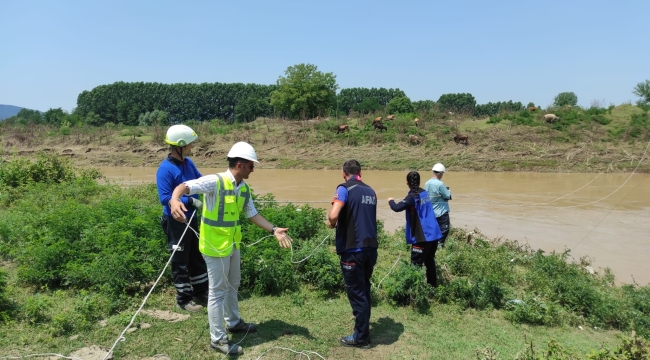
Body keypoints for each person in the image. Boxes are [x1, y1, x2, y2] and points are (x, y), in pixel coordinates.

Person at [169, 141, 293, 356]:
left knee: (233, 284)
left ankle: (233, 322)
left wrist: (273, 230)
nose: (253, 169)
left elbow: (251, 213)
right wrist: (174, 200)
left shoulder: (243, 188)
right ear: (239, 164)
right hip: (213, 246)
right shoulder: (215, 182)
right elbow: (185, 186)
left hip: (232, 244)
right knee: (217, 291)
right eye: (251, 165)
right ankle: (217, 339)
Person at [156, 124, 208, 313]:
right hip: (176, 223)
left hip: (191, 219)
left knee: (196, 256)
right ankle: (184, 299)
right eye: (189, 144)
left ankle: (202, 292)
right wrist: (191, 200)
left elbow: (199, 181)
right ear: (180, 145)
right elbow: (164, 198)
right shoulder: (165, 169)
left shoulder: (188, 163)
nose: (192, 147)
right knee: (180, 260)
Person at [326, 159, 378, 349]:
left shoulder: (344, 189)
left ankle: (361, 337)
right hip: (371, 249)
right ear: (360, 173)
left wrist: (331, 223)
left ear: (343, 173)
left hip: (353, 250)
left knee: (357, 294)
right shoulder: (371, 191)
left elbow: (333, 215)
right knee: (364, 290)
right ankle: (363, 332)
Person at [388, 171, 443, 287]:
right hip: (433, 234)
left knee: (415, 265)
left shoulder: (412, 197)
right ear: (419, 182)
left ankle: (414, 292)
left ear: (407, 182)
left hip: (422, 236)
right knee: (429, 261)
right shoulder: (425, 193)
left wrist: (390, 200)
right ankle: (432, 287)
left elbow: (397, 207)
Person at [424, 163, 452, 248]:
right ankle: (439, 245)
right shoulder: (440, 184)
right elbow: (447, 196)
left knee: (434, 229)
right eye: (442, 173)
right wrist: (448, 191)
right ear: (440, 173)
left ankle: (432, 245)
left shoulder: (427, 183)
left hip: (431, 211)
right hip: (441, 211)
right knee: (444, 229)